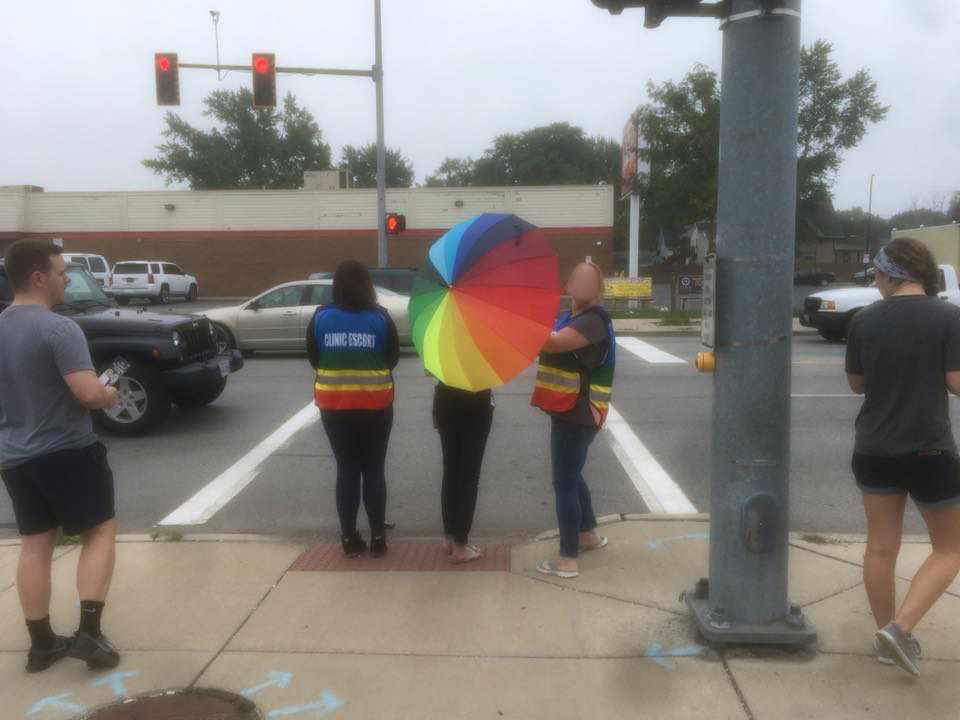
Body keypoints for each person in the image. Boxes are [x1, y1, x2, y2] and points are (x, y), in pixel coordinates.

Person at [0, 240, 121, 673]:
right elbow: (88, 394)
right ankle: (89, 634)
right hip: (68, 452)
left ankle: (42, 645)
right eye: (61, 271)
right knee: (99, 533)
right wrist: (109, 393)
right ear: (38, 277)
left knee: (35, 544)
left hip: (15, 457)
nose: (66, 278)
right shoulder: (59, 329)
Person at [846, 237, 960, 676]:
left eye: (877, 274)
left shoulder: (863, 320)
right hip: (929, 449)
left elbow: (857, 384)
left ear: (893, 275)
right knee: (950, 548)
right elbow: (956, 381)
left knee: (880, 547)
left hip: (873, 449)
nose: (876, 282)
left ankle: (884, 639)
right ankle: (901, 628)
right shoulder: (948, 316)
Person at [307, 260, 399, 558]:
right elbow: (392, 359)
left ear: (336, 285)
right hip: (375, 405)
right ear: (367, 285)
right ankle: (378, 537)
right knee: (373, 469)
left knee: (346, 468)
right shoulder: (380, 317)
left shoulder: (320, 317)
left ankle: (348, 538)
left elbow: (314, 358)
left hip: (334, 406)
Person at [531, 261, 615, 579]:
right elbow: (547, 341)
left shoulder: (594, 320)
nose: (582, 283)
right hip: (567, 409)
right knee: (572, 475)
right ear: (568, 285)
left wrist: (521, 322)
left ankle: (567, 559)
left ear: (599, 288)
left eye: (590, 279)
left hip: (578, 413)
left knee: (563, 482)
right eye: (577, 277)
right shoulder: (568, 318)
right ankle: (588, 533)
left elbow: (553, 342)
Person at [434, 382, 494, 564]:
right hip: (476, 406)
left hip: (445, 402)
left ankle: (449, 537)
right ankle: (460, 545)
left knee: (450, 472)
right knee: (469, 477)